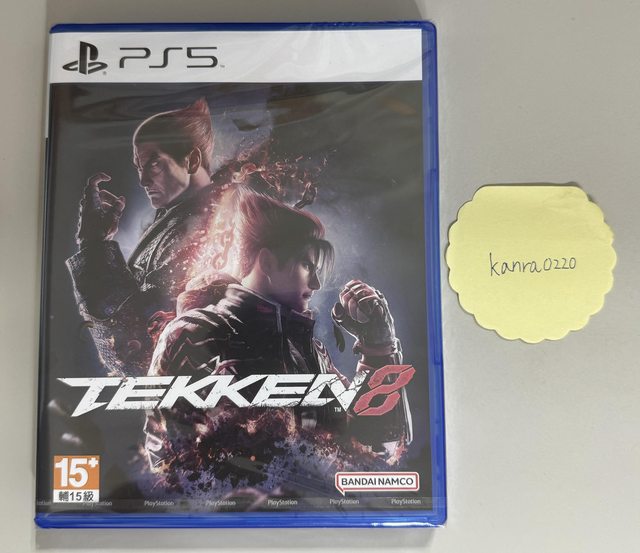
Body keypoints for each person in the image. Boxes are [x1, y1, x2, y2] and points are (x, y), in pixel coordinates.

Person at [144, 190, 412, 495]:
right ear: (268, 262)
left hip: (315, 518)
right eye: (307, 265)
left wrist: (378, 349)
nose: (316, 283)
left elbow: (374, 451)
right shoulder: (193, 335)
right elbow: (167, 466)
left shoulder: (312, 352)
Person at [66, 98, 227, 376]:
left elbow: (137, 349)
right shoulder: (181, 217)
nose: (142, 180)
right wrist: (97, 244)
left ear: (191, 160)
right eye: (139, 166)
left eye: (154, 163)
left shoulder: (206, 226)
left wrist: (93, 245)